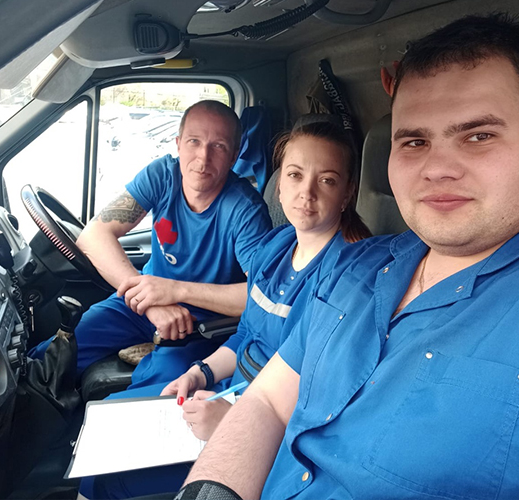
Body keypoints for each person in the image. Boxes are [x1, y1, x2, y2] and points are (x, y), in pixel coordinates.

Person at [180, 13, 519, 500]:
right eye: (415, 141)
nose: (437, 169)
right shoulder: (354, 266)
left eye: (478, 136)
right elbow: (267, 400)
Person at [78, 121, 373, 499]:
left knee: (108, 476)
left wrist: (233, 419)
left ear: (347, 193)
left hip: (272, 430)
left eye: (327, 180)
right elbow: (247, 333)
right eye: (295, 175)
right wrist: (200, 372)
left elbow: (322, 392)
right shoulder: (277, 246)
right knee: (106, 421)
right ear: (279, 184)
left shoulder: (348, 277)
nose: (307, 193)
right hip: (228, 391)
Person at [29, 100, 272, 389]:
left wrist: (176, 290)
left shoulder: (246, 210)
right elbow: (93, 235)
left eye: (218, 146)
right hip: (141, 305)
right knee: (54, 353)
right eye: (194, 141)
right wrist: (151, 304)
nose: (203, 157)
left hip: (200, 324)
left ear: (233, 156)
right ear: (178, 144)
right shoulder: (162, 176)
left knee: (162, 387)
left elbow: (260, 296)